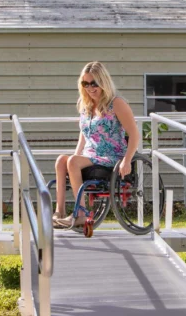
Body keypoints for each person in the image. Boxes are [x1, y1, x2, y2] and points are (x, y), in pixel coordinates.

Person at [53, 61, 139, 228]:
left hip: (112, 156)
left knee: (72, 161)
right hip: (91, 155)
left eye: (94, 83)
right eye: (85, 83)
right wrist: (74, 156)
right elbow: (84, 135)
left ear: (103, 82)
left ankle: (81, 214)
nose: (90, 88)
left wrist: (127, 160)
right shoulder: (86, 105)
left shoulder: (117, 104)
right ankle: (59, 212)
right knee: (61, 160)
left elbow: (134, 134)